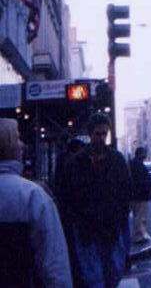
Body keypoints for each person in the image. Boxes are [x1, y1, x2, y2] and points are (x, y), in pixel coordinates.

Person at [61, 112, 132, 288]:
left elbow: (126, 191)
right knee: (94, 278)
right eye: (98, 134)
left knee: (113, 273)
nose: (101, 138)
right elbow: (67, 196)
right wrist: (77, 223)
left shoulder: (117, 160)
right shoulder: (75, 163)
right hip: (87, 230)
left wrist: (120, 217)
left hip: (111, 227)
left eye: (104, 134)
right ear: (90, 134)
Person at [0, 117, 73, 288]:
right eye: (17, 138)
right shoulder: (33, 196)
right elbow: (54, 263)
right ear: (9, 146)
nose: (22, 144)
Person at [129, 146, 151, 244]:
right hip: (139, 196)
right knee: (140, 216)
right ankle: (139, 236)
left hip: (138, 195)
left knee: (139, 216)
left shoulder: (135, 163)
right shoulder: (137, 164)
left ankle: (141, 234)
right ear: (140, 154)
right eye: (144, 153)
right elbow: (140, 180)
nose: (146, 155)